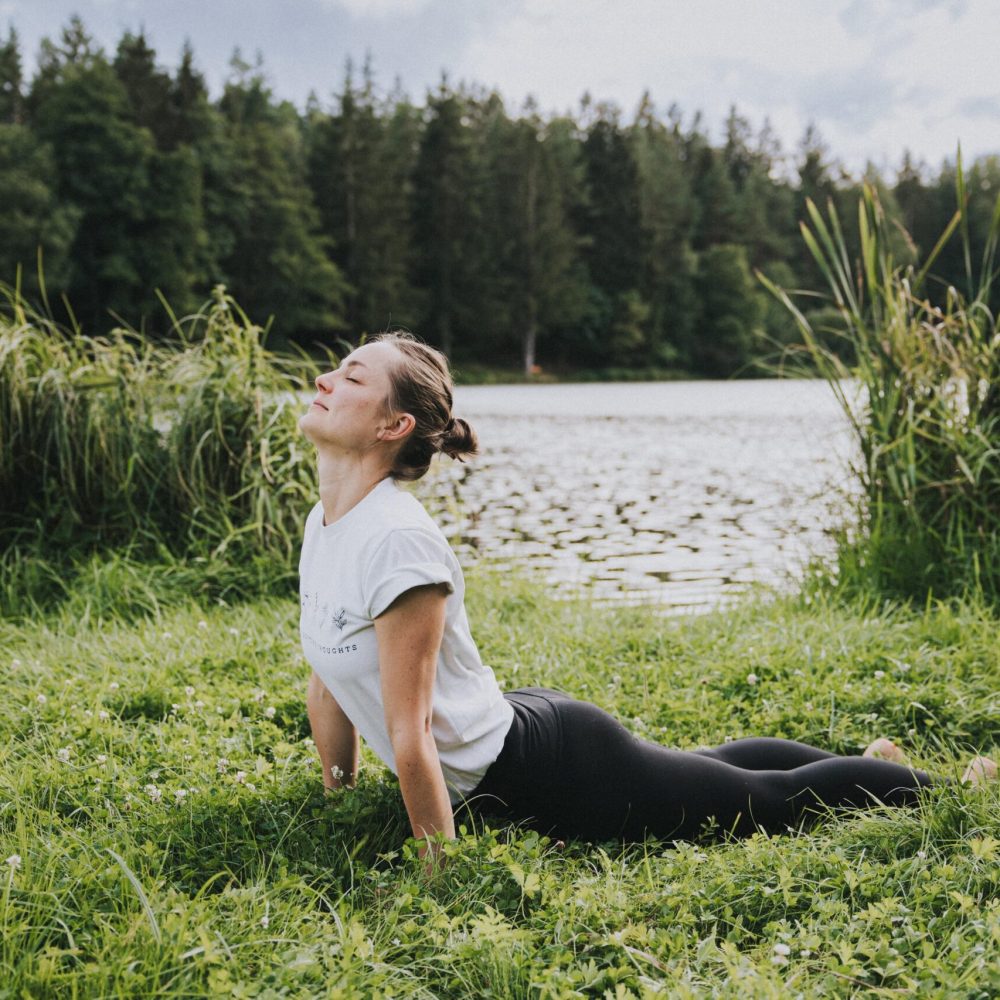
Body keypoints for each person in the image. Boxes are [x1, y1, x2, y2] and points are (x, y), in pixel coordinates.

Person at [298, 331, 996, 864]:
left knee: (759, 802)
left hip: (548, 767)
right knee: (712, 768)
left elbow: (411, 733)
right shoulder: (327, 525)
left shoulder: (398, 544)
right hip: (517, 728)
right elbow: (329, 685)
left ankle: (952, 789)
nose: (326, 378)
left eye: (352, 376)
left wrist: (437, 876)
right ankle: (879, 768)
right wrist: (339, 802)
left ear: (394, 427)